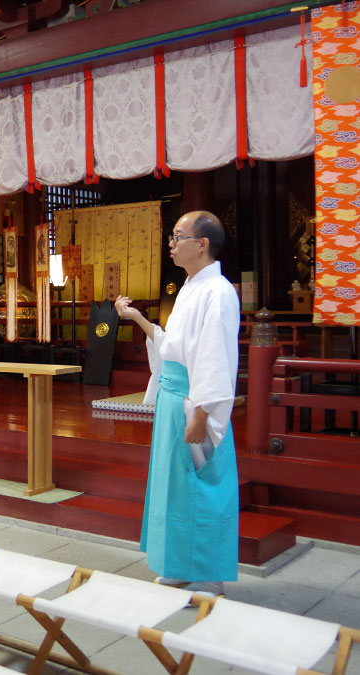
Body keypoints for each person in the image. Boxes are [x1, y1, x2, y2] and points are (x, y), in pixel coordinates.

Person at [114, 210, 239, 597]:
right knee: (175, 485)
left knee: (199, 483)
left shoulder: (218, 292)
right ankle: (180, 564)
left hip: (193, 399)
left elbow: (213, 357)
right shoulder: (190, 287)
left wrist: (201, 413)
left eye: (178, 236)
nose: (171, 244)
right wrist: (137, 319)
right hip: (174, 394)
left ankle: (207, 574)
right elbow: (173, 346)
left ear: (201, 244)